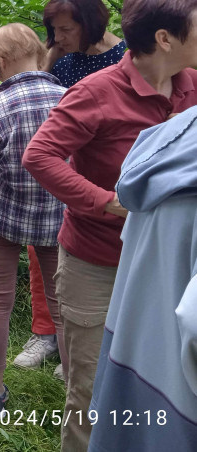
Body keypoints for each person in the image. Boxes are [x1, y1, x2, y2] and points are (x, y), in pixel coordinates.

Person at [23, 0, 197, 452]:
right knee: (93, 391)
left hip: (166, 267)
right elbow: (40, 156)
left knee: (160, 380)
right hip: (98, 265)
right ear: (165, 38)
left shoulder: (193, 86)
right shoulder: (96, 92)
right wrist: (105, 201)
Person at [17, 0, 127, 375]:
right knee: (43, 254)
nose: (58, 38)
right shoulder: (65, 61)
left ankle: (98, 345)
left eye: (65, 30)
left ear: (91, 22)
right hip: (62, 179)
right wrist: (51, 54)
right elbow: (38, 90)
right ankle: (49, 334)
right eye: (54, 30)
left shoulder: (126, 58)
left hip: (110, 189)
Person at [88, 106, 197, 451]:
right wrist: (102, 201)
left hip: (129, 360)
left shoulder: (171, 135)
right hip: (179, 405)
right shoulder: (95, 94)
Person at [0, 24, 67, 418]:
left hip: (2, 219)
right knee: (62, 304)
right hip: (58, 221)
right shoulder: (68, 99)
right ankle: (73, 381)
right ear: (38, 51)